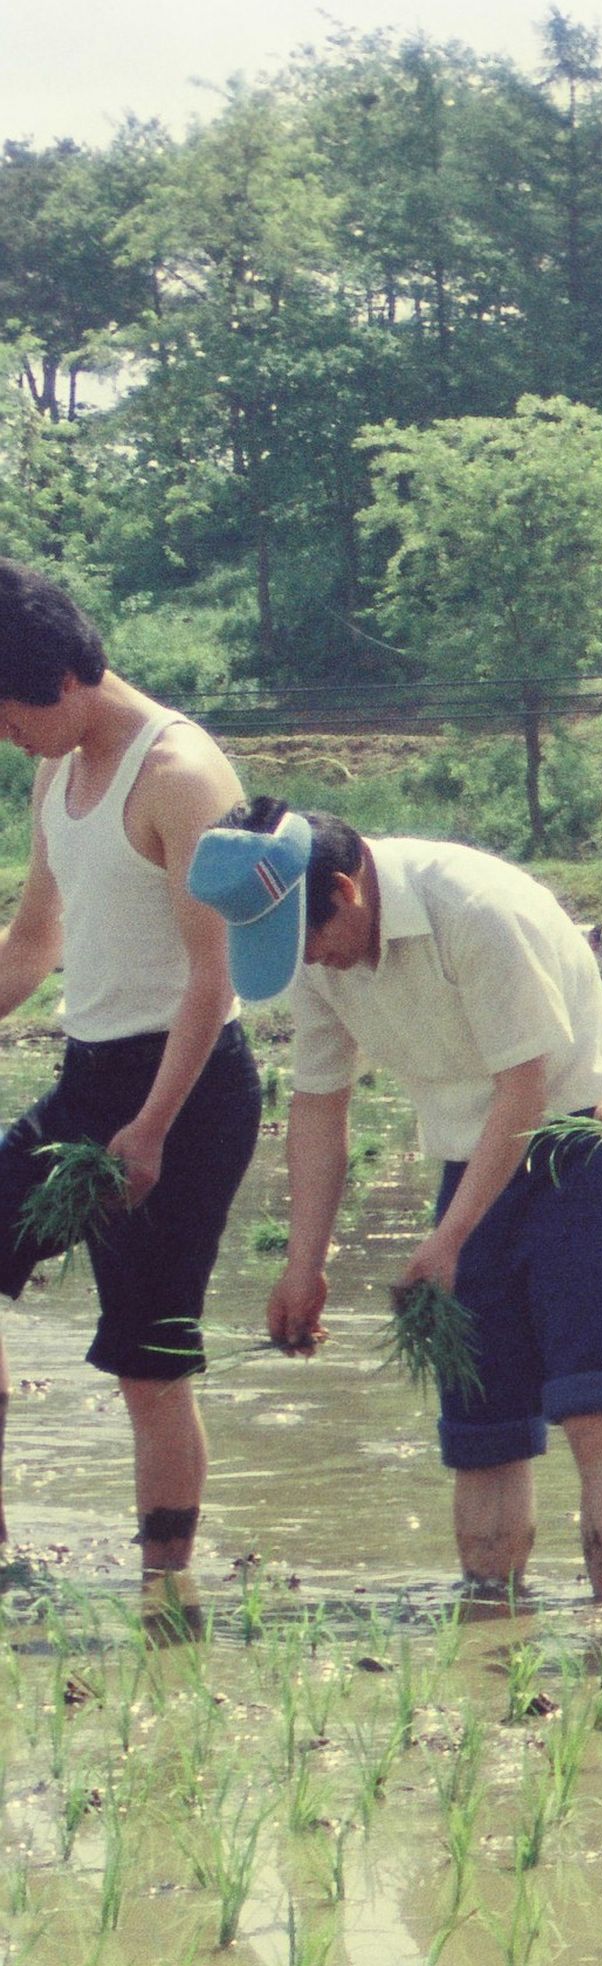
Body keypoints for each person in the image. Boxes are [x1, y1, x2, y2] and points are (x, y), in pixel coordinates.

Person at [201, 804, 602, 1613]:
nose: (310, 961)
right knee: (478, 1429)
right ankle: (493, 1628)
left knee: (594, 1404)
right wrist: (304, 1265)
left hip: (583, 1142)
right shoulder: (316, 955)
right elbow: (317, 1105)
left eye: (308, 939)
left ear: (344, 890)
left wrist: (448, 1239)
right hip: (468, 1158)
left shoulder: (474, 909)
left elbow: (523, 1085)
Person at [0, 560, 258, 1624]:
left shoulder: (184, 775)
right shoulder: (56, 774)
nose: (9, 737)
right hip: (86, 1078)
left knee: (149, 1360)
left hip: (184, 1095)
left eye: (11, 715)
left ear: (64, 680)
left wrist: (147, 1131)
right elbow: (33, 944)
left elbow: (218, 973)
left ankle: (167, 1588)